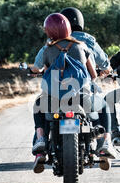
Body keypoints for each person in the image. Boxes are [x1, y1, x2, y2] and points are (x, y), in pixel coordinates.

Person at [32, 13, 115, 174]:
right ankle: (106, 141)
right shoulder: (82, 45)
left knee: (37, 106)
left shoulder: (48, 49)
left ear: (49, 31)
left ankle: (41, 139)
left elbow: (43, 71)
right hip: (82, 99)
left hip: (55, 101)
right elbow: (93, 75)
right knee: (105, 106)